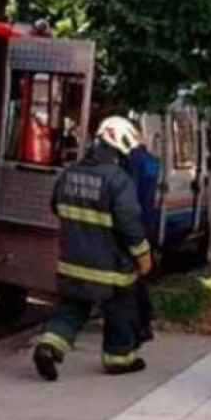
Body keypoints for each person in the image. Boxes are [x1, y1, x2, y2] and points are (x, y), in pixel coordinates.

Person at [33, 116, 153, 381]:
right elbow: (130, 223)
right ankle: (118, 359)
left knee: (71, 308)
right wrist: (143, 255)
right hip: (109, 268)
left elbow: (56, 208)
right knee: (121, 308)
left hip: (72, 262)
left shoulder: (69, 173)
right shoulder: (118, 179)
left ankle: (49, 345)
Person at [124, 128, 161, 345]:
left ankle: (138, 327)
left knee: (129, 283)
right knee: (138, 279)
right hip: (146, 225)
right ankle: (144, 323)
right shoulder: (151, 161)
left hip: (129, 226)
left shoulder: (130, 161)